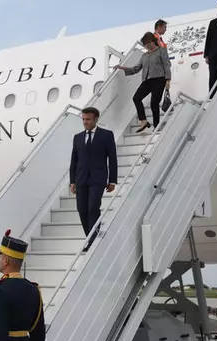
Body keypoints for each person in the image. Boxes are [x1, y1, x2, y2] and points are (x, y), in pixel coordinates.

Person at [68, 106, 118, 251]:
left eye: (88, 119)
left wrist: (112, 180)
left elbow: (112, 158)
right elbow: (74, 161)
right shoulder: (77, 137)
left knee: (93, 207)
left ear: (96, 119)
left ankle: (93, 241)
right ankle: (90, 238)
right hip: (81, 179)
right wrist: (72, 181)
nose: (85, 122)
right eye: (83, 119)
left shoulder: (106, 135)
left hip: (98, 179)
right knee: (81, 210)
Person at [115, 32, 172, 132]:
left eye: (146, 43)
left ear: (151, 42)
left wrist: (168, 79)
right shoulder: (144, 56)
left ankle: (156, 125)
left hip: (159, 79)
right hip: (147, 80)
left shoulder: (161, 51)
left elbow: (167, 65)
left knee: (154, 103)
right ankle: (144, 121)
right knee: (136, 98)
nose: (145, 46)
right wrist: (122, 68)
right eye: (144, 44)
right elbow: (136, 69)